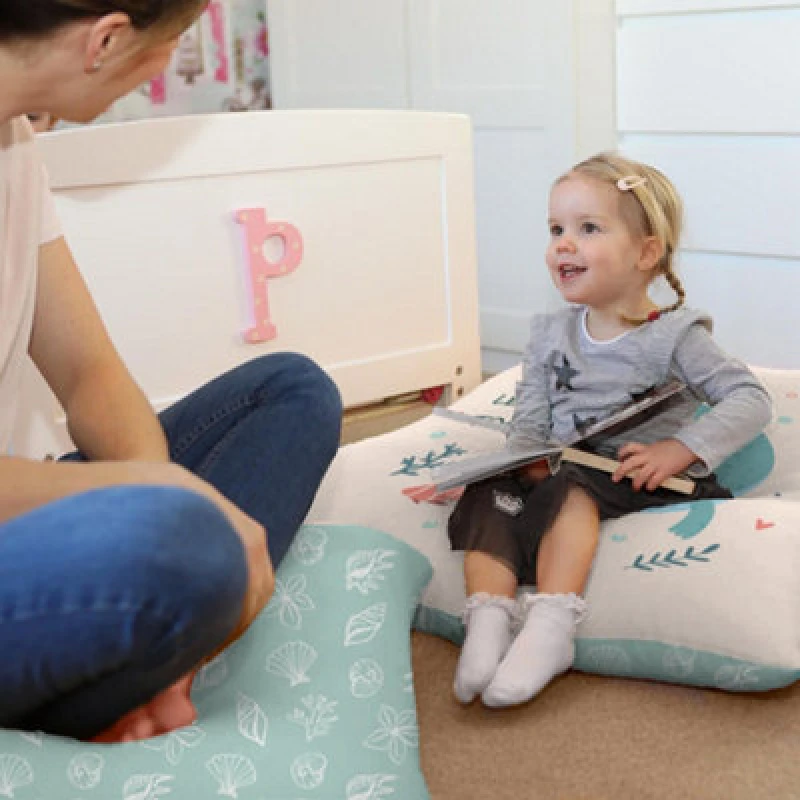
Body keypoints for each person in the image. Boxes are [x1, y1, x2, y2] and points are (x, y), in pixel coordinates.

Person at [0, 1, 342, 742]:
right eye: (172, 45)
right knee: (185, 547)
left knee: (293, 390)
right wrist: (155, 500)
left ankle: (147, 671)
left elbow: (89, 374)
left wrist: (156, 488)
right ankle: (138, 661)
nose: (163, 70)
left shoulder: (15, 147)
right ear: (106, 40)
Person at [447, 152, 772, 709]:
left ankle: (551, 624)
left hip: (631, 476)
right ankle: (488, 620)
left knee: (571, 487)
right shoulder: (549, 333)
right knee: (491, 495)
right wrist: (511, 464)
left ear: (646, 253)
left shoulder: (674, 336)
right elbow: (530, 415)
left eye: (587, 228)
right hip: (556, 468)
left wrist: (680, 448)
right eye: (556, 229)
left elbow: (750, 399)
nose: (563, 244)